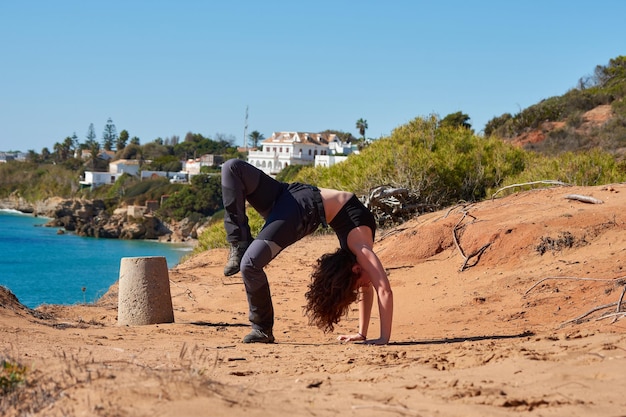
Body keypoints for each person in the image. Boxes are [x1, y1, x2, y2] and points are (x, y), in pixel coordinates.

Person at [221, 159, 393, 345]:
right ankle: (239, 242)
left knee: (249, 265)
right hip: (292, 195)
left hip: (300, 209)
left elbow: (368, 288)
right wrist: (383, 337)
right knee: (232, 168)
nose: (365, 286)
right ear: (356, 269)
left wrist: (362, 333)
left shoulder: (358, 253)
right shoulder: (362, 250)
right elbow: (384, 290)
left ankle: (262, 329)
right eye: (359, 285)